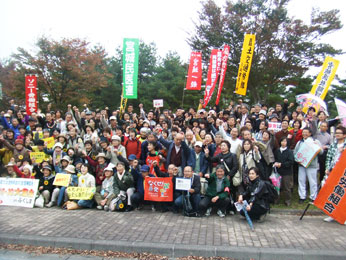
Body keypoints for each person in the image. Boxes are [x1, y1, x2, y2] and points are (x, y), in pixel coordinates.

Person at [323, 126, 346, 223]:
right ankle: (332, 214)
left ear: (344, 135)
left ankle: (343, 215)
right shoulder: (333, 145)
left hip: (343, 172)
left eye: (339, 133)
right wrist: (327, 168)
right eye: (336, 132)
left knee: (342, 194)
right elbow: (328, 157)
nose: (337, 134)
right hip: (333, 170)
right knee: (332, 193)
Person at [294, 127, 323, 203]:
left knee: (312, 181)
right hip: (302, 165)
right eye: (303, 132)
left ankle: (313, 197)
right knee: (301, 180)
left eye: (306, 132)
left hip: (312, 165)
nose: (304, 134)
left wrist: (317, 146)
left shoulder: (315, 141)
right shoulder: (300, 142)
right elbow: (295, 153)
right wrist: (297, 160)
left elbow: (321, 152)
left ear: (310, 133)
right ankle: (302, 196)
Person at [273, 137, 294, 206]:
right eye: (282, 141)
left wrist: (282, 164)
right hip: (278, 172)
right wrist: (276, 163)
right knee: (277, 187)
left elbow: (291, 162)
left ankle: (288, 200)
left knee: (286, 187)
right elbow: (275, 159)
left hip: (286, 172)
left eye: (285, 141)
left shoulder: (289, 151)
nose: (283, 143)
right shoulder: (277, 151)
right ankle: (276, 199)